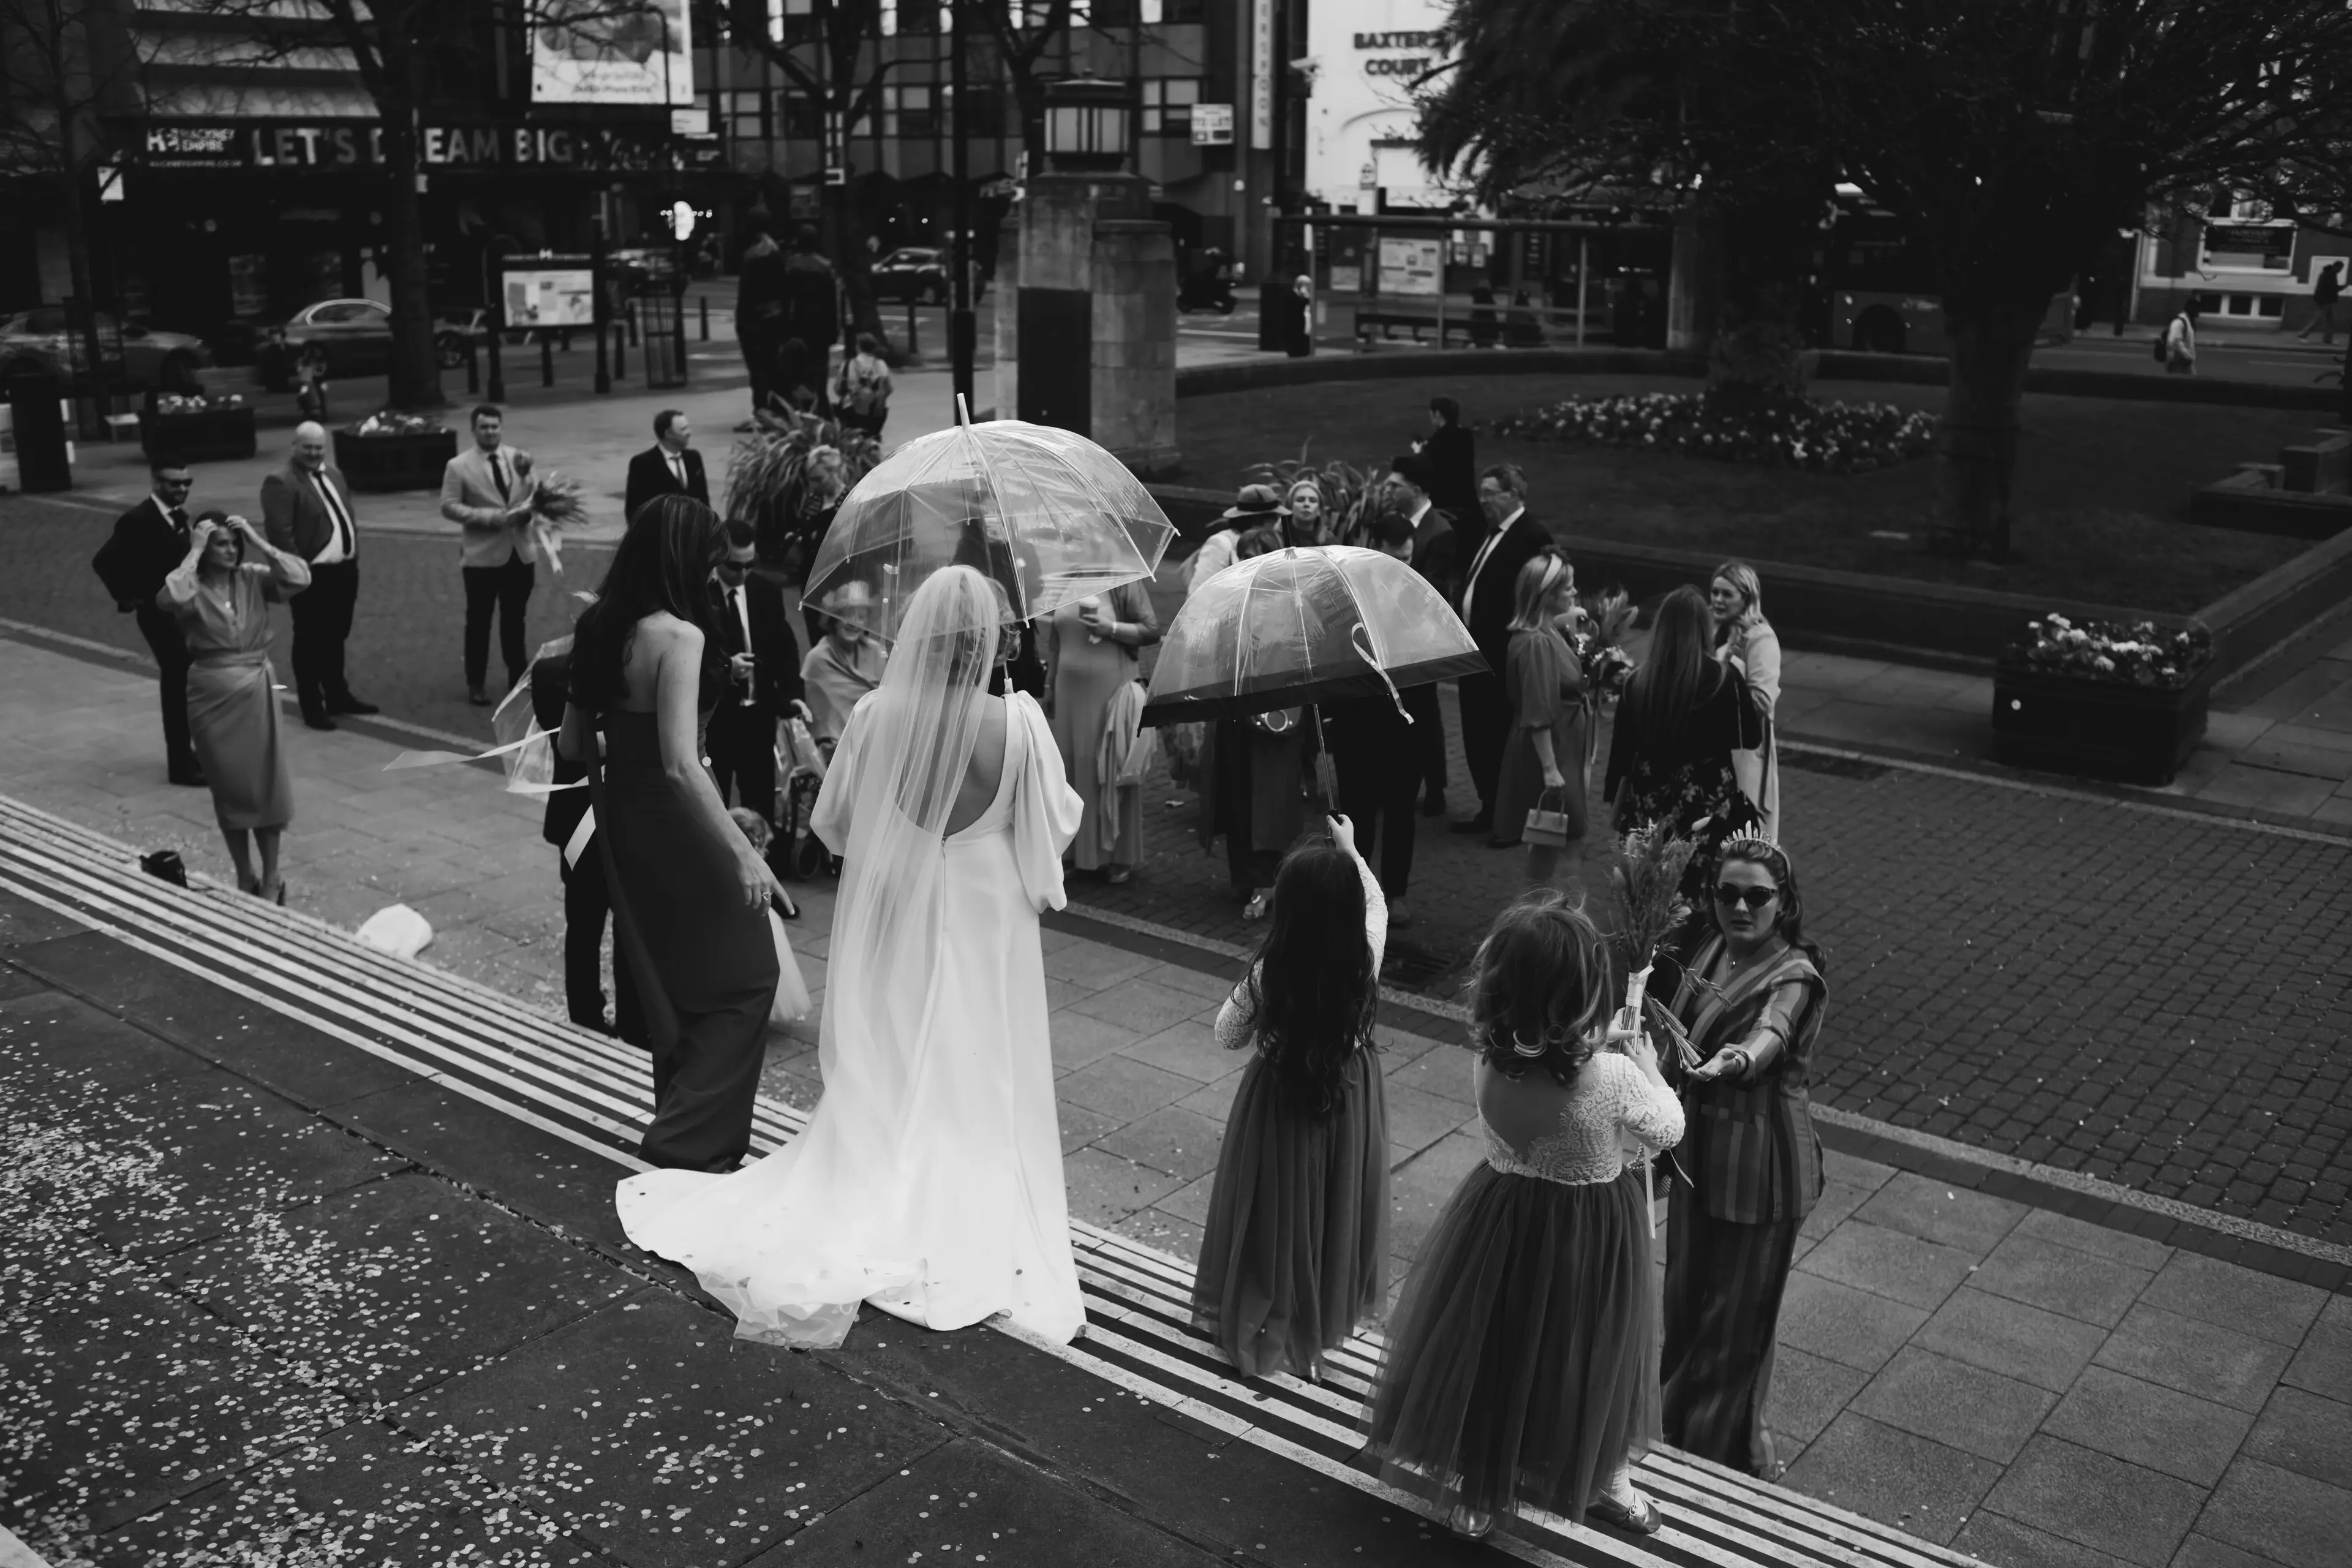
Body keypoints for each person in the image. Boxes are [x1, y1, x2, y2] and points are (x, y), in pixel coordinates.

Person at [614, 565, 1088, 1350]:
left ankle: (890, 1165)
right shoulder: (1022, 722)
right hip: (987, 912)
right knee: (982, 1049)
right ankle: (972, 1184)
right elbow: (1055, 827)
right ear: (987, 641)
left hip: (907, 903)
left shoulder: (876, 714)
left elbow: (835, 822)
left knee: (904, 1042)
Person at [1365, 893, 1683, 1540]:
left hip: (1501, 1216)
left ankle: (1482, 1489)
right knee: (1596, 1352)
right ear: (1578, 995)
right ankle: (1605, 1482)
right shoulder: (1614, 1077)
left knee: (1498, 1351)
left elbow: (1549, 1072)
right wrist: (1651, 1066)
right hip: (1590, 1233)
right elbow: (1667, 1129)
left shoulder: (1488, 1052)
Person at [559, 495, 783, 1172]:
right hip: (681, 824)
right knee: (748, 979)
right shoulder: (680, 636)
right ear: (685, 558)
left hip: (628, 825)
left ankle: (687, 1127)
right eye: (710, 557)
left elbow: (572, 744)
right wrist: (744, 852)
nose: (716, 571)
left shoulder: (599, 624)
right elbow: (683, 765)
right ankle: (690, 1142)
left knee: (678, 982)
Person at [1192, 823, 1390, 1379]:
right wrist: (1352, 850)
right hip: (1349, 1096)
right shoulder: (1365, 958)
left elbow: (1226, 1034)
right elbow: (1377, 904)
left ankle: (1269, 1306)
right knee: (1333, 1203)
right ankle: (1318, 1316)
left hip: (1277, 1102)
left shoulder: (1267, 973)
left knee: (1276, 1209)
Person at [1660, 836, 1829, 1481]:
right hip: (1699, 1153)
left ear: (1783, 903)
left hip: (1763, 1170)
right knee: (1685, 1301)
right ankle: (1676, 1428)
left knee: (1737, 1319)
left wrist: (1730, 1060)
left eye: (1756, 895)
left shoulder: (1796, 975)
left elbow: (1771, 1034)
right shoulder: (1710, 947)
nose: (1739, 905)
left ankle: (1721, 1458)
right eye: (1727, 892)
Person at [157, 511, 311, 902]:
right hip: (211, 695)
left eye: (232, 543)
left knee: (266, 785)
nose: (229, 550)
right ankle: (245, 875)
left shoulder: (253, 577)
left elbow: (300, 577)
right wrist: (192, 552)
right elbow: (169, 596)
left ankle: (272, 878)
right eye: (219, 544)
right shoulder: (191, 586)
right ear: (204, 549)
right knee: (229, 788)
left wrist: (260, 542)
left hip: (256, 687)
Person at [1198, 526, 1318, 920]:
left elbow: (1304, 660)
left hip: (1276, 720)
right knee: (1237, 798)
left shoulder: (1295, 603)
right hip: (1234, 719)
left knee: (1269, 803)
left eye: (1259, 555)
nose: (1249, 562)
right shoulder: (1230, 599)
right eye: (1245, 554)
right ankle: (1245, 877)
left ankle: (1269, 882)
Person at [1602, 584, 1763, 876]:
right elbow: (1751, 738)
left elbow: (1622, 751)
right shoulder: (1725, 678)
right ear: (1704, 627)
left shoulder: (1638, 682)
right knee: (1700, 887)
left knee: (1648, 890)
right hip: (1706, 800)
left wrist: (1615, 802)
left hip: (1648, 798)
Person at [530, 644, 643, 1042]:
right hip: (614, 819)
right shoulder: (634, 675)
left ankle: (585, 1016)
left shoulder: (548, 672)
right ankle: (632, 1021)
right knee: (626, 926)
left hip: (573, 817)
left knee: (583, 926)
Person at [1325, 511, 1426, 927]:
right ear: (1374, 545)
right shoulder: (1345, 593)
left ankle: (1396, 891)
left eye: (1408, 556)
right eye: (1395, 555)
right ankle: (1359, 888)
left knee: (1402, 810)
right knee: (1359, 812)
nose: (1402, 564)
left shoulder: (1418, 595)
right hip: (1356, 723)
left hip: (1405, 721)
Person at [92, 459, 205, 785]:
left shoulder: (179, 519)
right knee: (177, 683)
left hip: (182, 614)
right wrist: (131, 597)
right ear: (156, 484)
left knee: (185, 684)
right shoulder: (138, 520)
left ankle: (187, 753)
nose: (182, 489)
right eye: (175, 484)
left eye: (187, 483)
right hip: (160, 616)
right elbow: (104, 561)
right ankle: (180, 765)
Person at [1455, 462, 1552, 839]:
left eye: (1491, 492)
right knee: (1475, 731)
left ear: (1515, 495)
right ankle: (1488, 804)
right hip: (1474, 651)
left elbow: (1536, 598)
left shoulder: (1532, 536)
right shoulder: (1491, 531)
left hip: (1500, 654)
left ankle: (1503, 813)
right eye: (1482, 491)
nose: (1483, 500)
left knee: (1495, 731)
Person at [260, 421, 375, 733]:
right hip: (311, 574)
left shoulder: (334, 474)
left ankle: (338, 695)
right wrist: (298, 573)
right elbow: (280, 535)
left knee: (337, 634)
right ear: (294, 446)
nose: (314, 453)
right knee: (310, 640)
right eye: (307, 447)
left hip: (344, 570)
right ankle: (312, 705)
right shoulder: (280, 482)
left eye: (319, 447)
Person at [1046, 577, 1161, 884]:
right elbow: (1056, 641)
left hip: (1111, 690)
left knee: (1109, 768)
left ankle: (1118, 855)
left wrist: (1109, 629)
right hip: (1068, 691)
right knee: (1070, 770)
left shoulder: (1124, 583)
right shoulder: (1063, 581)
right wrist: (1049, 685)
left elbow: (1151, 631)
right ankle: (1073, 853)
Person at [1493, 554, 1591, 886]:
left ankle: (1543, 913)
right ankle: (1563, 913)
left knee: (1550, 839)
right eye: (1568, 587)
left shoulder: (1544, 630)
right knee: (1568, 837)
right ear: (1548, 594)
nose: (1575, 592)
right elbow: (1537, 709)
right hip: (1553, 751)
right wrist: (1550, 768)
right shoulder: (1537, 642)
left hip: (1562, 746)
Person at [439, 404, 540, 706]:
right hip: (481, 558)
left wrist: (529, 514)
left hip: (519, 554)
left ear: (501, 428)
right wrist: (488, 517)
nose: (490, 432)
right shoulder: (458, 466)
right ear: (474, 430)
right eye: (484, 427)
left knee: (515, 619)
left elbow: (535, 496)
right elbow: (448, 505)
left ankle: (518, 678)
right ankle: (476, 682)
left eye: (495, 427)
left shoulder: (519, 459)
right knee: (479, 621)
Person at [709, 519, 806, 831]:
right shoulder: (700, 597)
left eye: (751, 564)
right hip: (716, 720)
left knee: (761, 800)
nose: (744, 573)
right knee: (714, 799)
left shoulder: (764, 591)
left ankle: (765, 865)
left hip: (758, 716)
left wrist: (793, 697)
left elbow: (785, 647)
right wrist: (727, 667)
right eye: (736, 567)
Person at [1384, 454, 1459, 818]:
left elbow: (1433, 591)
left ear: (1414, 490)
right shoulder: (1397, 524)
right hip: (1393, 637)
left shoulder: (1439, 531)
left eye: (1395, 484)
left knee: (1425, 714)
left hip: (1421, 640)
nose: (1389, 489)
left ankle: (1435, 788)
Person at [1709, 561, 1782, 842]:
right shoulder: (1713, 630)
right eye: (1715, 592)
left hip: (1744, 753)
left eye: (1727, 594)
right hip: (1711, 748)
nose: (1717, 600)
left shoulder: (1760, 638)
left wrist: (1716, 694)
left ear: (1747, 598)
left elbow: (1762, 701)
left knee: (1740, 837)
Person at [799, 581, 886, 747]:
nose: (854, 623)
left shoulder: (877, 652)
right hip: (836, 750)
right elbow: (817, 719)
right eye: (847, 616)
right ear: (834, 620)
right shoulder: (817, 659)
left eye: (861, 617)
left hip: (876, 742)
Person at [1188, 483, 1289, 594]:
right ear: (1259, 520)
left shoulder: (1271, 543)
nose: (1276, 524)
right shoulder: (1222, 543)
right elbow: (1200, 591)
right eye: (1274, 518)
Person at [735, 219, 788, 424]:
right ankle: (771, 409)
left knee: (759, 368)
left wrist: (744, 322)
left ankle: (762, 410)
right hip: (771, 318)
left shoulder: (756, 255)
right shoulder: (773, 252)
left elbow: (748, 296)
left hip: (756, 321)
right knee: (770, 366)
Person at [780, 224, 840, 392]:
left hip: (796, 324)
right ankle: (819, 399)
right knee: (819, 368)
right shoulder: (825, 267)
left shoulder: (790, 265)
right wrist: (834, 330)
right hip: (820, 325)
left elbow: (784, 299)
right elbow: (832, 303)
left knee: (796, 368)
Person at [624, 409, 710, 522]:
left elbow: (704, 500)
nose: (689, 433)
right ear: (668, 434)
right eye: (683, 429)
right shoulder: (643, 463)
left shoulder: (694, 458)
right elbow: (635, 508)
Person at [1420, 396, 1478, 523]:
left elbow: (1428, 470)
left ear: (1437, 414)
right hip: (1467, 500)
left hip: (1444, 503)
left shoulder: (1436, 442)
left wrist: (1422, 452)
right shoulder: (1466, 436)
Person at [832, 330, 894, 438]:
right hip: (876, 412)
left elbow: (838, 389)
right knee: (872, 439)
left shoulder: (848, 364)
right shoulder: (881, 364)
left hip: (852, 410)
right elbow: (888, 389)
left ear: (858, 347)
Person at [2299, 260, 2343, 344]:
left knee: (2331, 321)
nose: (2340, 271)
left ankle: (2328, 340)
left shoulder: (2328, 274)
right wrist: (2342, 288)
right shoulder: (2329, 275)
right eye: (2340, 268)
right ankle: (2302, 335)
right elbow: (2330, 288)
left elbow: (2329, 288)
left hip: (2328, 301)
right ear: (2336, 267)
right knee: (2318, 320)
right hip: (2326, 301)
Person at [2162, 298, 2200, 375]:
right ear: (2192, 309)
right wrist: (2186, 355)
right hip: (2178, 364)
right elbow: (2172, 342)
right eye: (2197, 311)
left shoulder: (2188, 322)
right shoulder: (2179, 322)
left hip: (2186, 364)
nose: (2198, 314)